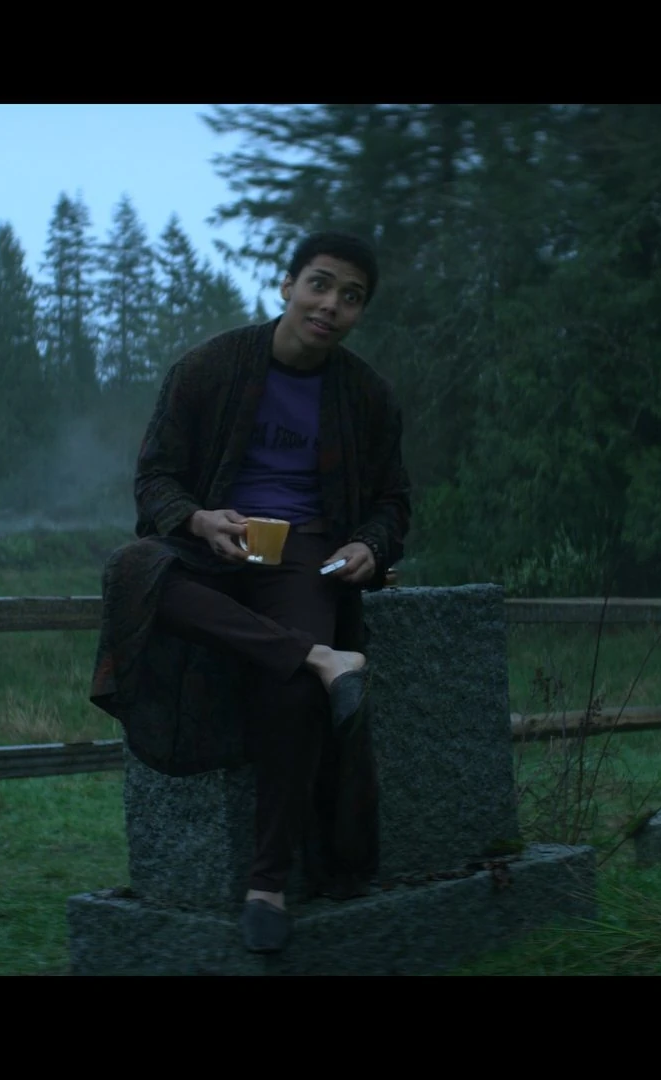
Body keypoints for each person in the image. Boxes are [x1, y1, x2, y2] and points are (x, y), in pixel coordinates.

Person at [88, 230, 412, 954]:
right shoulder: (210, 367)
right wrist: (199, 519)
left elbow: (394, 501)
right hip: (215, 544)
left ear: (360, 312)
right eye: (319, 284)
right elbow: (155, 479)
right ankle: (322, 658)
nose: (329, 305)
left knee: (292, 692)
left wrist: (369, 544)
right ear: (287, 285)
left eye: (350, 297)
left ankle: (267, 885)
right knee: (132, 570)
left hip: (307, 555)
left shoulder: (366, 395)